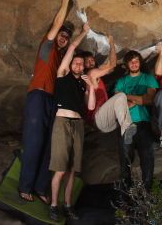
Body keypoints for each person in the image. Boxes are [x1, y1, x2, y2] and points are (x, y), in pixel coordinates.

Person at [19, 0, 83, 203]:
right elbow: (56, 24)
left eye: (66, 35)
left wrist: (84, 33)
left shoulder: (60, 58)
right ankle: (25, 186)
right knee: (34, 142)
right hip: (38, 95)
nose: (63, 37)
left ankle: (39, 187)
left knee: (50, 147)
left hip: (53, 102)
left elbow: (73, 49)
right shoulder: (46, 48)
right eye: (61, 34)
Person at [49, 23, 95, 220]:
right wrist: (84, 31)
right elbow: (71, 49)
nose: (77, 65)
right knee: (60, 168)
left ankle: (68, 205)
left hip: (78, 125)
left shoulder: (82, 85)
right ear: (70, 65)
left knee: (72, 171)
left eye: (80, 64)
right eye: (75, 63)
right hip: (62, 122)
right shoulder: (62, 76)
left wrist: (91, 87)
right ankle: (53, 205)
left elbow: (91, 107)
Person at [115, 50, 158, 191]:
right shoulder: (121, 81)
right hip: (126, 124)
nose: (134, 64)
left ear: (140, 62)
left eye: (136, 61)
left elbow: (149, 99)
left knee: (147, 160)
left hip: (143, 124)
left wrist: (127, 97)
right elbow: (118, 103)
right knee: (125, 162)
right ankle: (126, 201)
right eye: (131, 61)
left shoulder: (148, 79)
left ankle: (147, 200)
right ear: (127, 64)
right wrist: (138, 99)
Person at [82, 36, 137, 145]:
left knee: (128, 104)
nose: (91, 62)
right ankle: (126, 129)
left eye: (92, 59)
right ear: (83, 66)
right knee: (121, 96)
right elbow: (112, 64)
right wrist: (112, 43)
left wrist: (126, 105)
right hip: (98, 119)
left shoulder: (96, 77)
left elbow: (111, 68)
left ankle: (127, 137)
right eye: (87, 61)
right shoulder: (90, 74)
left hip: (106, 125)